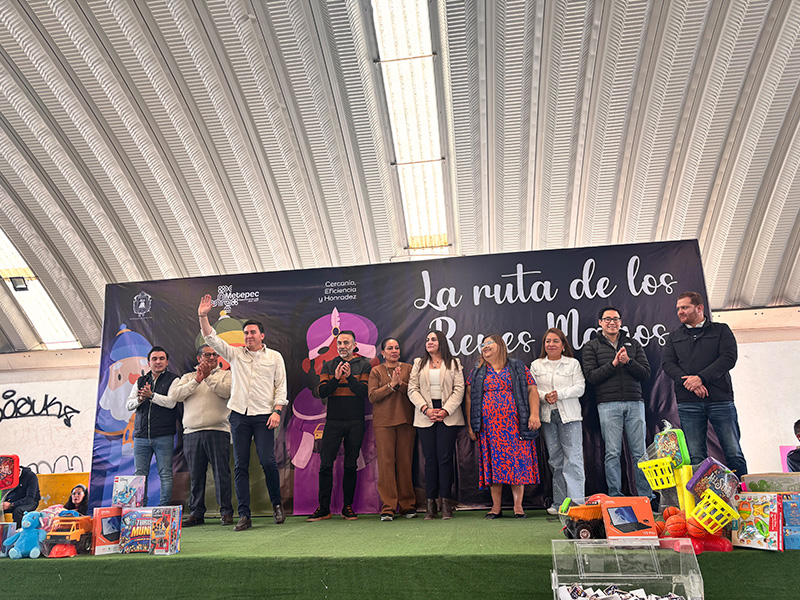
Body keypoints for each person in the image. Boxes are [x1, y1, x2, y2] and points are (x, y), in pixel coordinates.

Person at [198, 294, 287, 531]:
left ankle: (277, 504)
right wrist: (203, 316)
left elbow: (281, 387)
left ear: (262, 335)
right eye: (246, 333)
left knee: (267, 461)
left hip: (265, 416)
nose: (248, 336)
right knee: (240, 465)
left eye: (252, 332)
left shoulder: (275, 357)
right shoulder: (235, 354)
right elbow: (211, 337)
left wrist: (277, 411)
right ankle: (245, 515)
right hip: (239, 416)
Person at [662, 291, 747, 475]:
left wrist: (701, 378)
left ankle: (742, 491)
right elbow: (668, 364)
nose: (680, 312)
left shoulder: (721, 330)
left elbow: (728, 358)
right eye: (678, 308)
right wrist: (691, 383)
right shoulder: (673, 336)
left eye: (685, 307)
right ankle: (703, 493)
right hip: (688, 402)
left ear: (699, 308)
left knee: (733, 451)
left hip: (720, 400)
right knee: (695, 456)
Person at [465, 333, 540, 519]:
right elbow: (469, 397)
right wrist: (471, 425)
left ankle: (518, 507)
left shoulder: (517, 366)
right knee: (494, 464)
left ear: (500, 345)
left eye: (489, 343)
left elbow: (532, 389)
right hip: (489, 428)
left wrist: (534, 414)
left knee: (517, 463)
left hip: (515, 426)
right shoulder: (478, 370)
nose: (485, 346)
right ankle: (496, 507)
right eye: (482, 345)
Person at [582, 307, 652, 498]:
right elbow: (591, 376)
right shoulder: (591, 346)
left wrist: (628, 361)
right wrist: (613, 364)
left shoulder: (633, 344)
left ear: (621, 322)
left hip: (635, 403)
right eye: (607, 319)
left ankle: (647, 496)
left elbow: (645, 374)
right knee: (612, 453)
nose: (612, 322)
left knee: (640, 453)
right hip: (607, 404)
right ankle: (615, 496)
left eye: (616, 319)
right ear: (600, 322)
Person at [308, 330, 372, 522]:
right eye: (340, 343)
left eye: (346, 343)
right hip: (333, 422)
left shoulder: (364, 365)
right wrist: (336, 378)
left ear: (354, 345)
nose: (343, 346)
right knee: (326, 464)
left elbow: (363, 392)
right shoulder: (328, 365)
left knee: (350, 464)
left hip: (355, 421)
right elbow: (322, 392)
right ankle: (324, 508)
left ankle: (348, 507)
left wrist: (350, 377)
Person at [171, 344, 234, 527]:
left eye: (215, 354)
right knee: (196, 476)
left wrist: (207, 378)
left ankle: (226, 512)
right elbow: (175, 395)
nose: (212, 358)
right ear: (199, 358)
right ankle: (197, 513)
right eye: (208, 355)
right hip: (192, 433)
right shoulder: (188, 377)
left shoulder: (226, 375)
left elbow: (226, 392)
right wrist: (197, 380)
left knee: (222, 474)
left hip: (218, 431)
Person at [408, 330, 465, 520]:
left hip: (448, 415)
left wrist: (446, 410)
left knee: (445, 459)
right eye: (427, 340)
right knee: (430, 460)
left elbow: (459, 389)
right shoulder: (418, 363)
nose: (429, 342)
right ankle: (430, 504)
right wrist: (426, 409)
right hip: (426, 415)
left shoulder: (454, 363)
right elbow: (412, 389)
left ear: (441, 342)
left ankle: (446, 504)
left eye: (433, 339)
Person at [531, 328, 586, 515]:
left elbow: (580, 387)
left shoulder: (572, 363)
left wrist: (559, 394)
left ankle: (577, 503)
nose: (551, 344)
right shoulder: (536, 365)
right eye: (548, 341)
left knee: (574, 459)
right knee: (555, 460)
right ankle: (560, 504)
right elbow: (532, 389)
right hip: (547, 417)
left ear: (563, 345)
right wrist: (545, 396)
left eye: (555, 341)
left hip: (569, 416)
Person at [367, 337, 416, 521]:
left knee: (405, 463)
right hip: (384, 423)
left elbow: (415, 392)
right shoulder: (376, 371)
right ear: (383, 352)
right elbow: (372, 396)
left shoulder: (409, 369)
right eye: (390, 348)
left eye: (396, 347)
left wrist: (400, 384)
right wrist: (390, 385)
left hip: (406, 421)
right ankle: (388, 507)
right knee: (386, 464)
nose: (394, 351)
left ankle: (407, 505)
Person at [125, 345, 179, 507]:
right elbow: (128, 405)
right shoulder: (140, 381)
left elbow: (171, 403)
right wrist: (140, 399)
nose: (158, 362)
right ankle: (140, 508)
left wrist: (152, 396)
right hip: (141, 437)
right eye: (154, 359)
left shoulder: (174, 379)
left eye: (162, 358)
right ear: (148, 363)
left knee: (165, 474)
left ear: (167, 362)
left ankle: (164, 508)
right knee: (139, 475)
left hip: (164, 436)